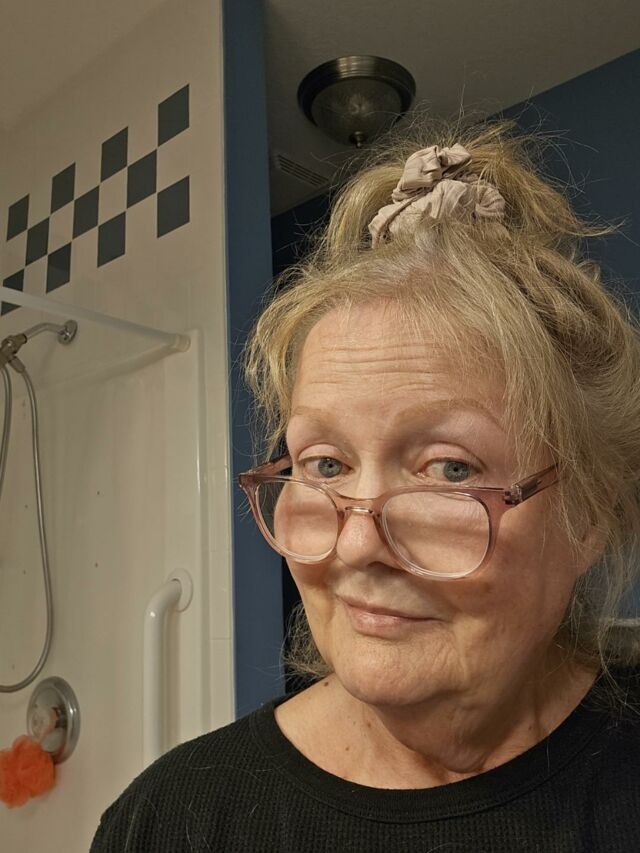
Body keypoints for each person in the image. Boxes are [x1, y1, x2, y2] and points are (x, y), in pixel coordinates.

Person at [90, 120, 640, 852]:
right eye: (324, 464)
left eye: (450, 468)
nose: (354, 546)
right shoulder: (172, 819)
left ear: (590, 511)